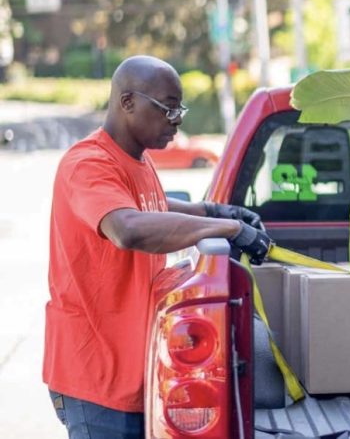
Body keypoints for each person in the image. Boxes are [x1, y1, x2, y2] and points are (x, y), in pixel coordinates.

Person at [43, 56, 272, 439]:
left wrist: (212, 209)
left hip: (135, 372)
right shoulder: (87, 164)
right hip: (97, 380)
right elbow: (127, 227)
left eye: (179, 108)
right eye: (168, 108)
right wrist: (228, 228)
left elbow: (154, 205)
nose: (177, 119)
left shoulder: (137, 162)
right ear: (128, 102)